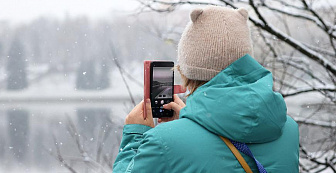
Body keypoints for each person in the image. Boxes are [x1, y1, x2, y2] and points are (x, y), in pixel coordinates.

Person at [113, 6, 299, 173]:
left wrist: (134, 135)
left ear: (188, 71)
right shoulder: (288, 129)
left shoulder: (164, 141)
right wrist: (191, 121)